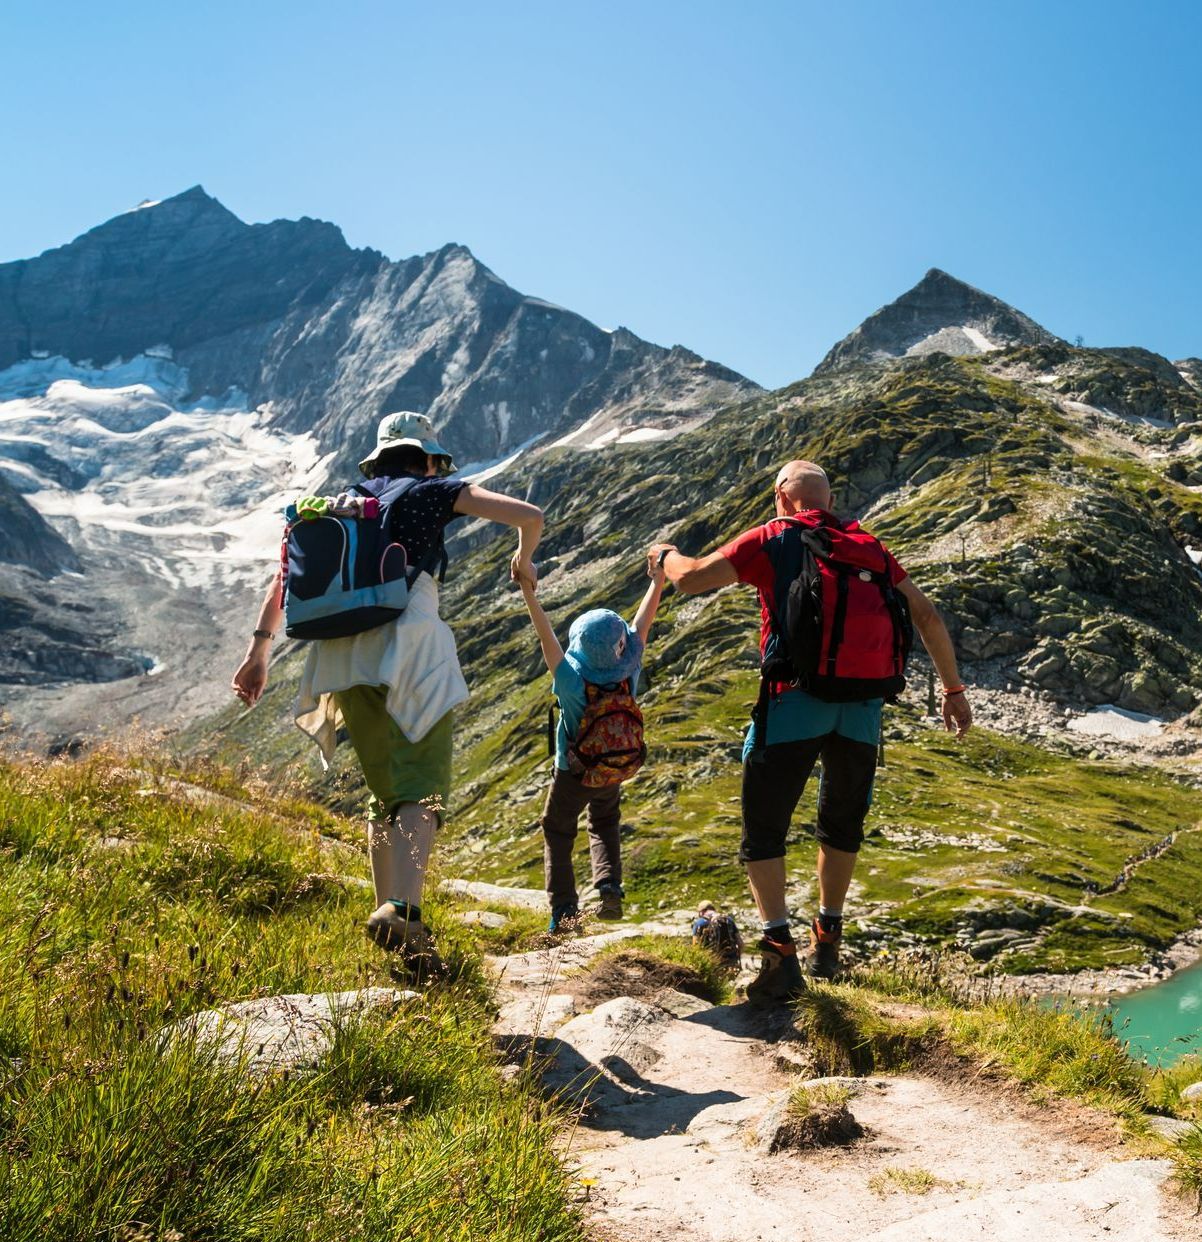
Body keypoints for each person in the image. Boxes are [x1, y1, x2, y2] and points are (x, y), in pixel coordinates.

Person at [232, 411, 544, 978]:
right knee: (421, 788)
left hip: (343, 655)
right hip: (410, 646)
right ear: (427, 458)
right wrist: (523, 557)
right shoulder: (433, 490)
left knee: (384, 789)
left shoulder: (340, 505)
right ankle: (404, 912)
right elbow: (529, 514)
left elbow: (285, 579)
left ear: (376, 460)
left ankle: (392, 916)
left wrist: (258, 653)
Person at [647, 459, 972, 1003]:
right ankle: (828, 940)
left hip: (794, 700)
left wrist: (662, 555)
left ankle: (778, 954)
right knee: (841, 824)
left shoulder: (775, 536)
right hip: (863, 708)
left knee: (764, 828)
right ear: (826, 497)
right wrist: (953, 690)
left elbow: (692, 579)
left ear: (781, 496)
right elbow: (928, 616)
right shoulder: (868, 546)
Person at [514, 556, 667, 933]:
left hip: (573, 771)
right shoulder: (629, 669)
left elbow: (545, 636)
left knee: (557, 829)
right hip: (613, 766)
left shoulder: (570, 681)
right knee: (604, 820)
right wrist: (658, 580)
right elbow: (641, 624)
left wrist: (528, 591)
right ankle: (609, 887)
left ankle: (565, 912)